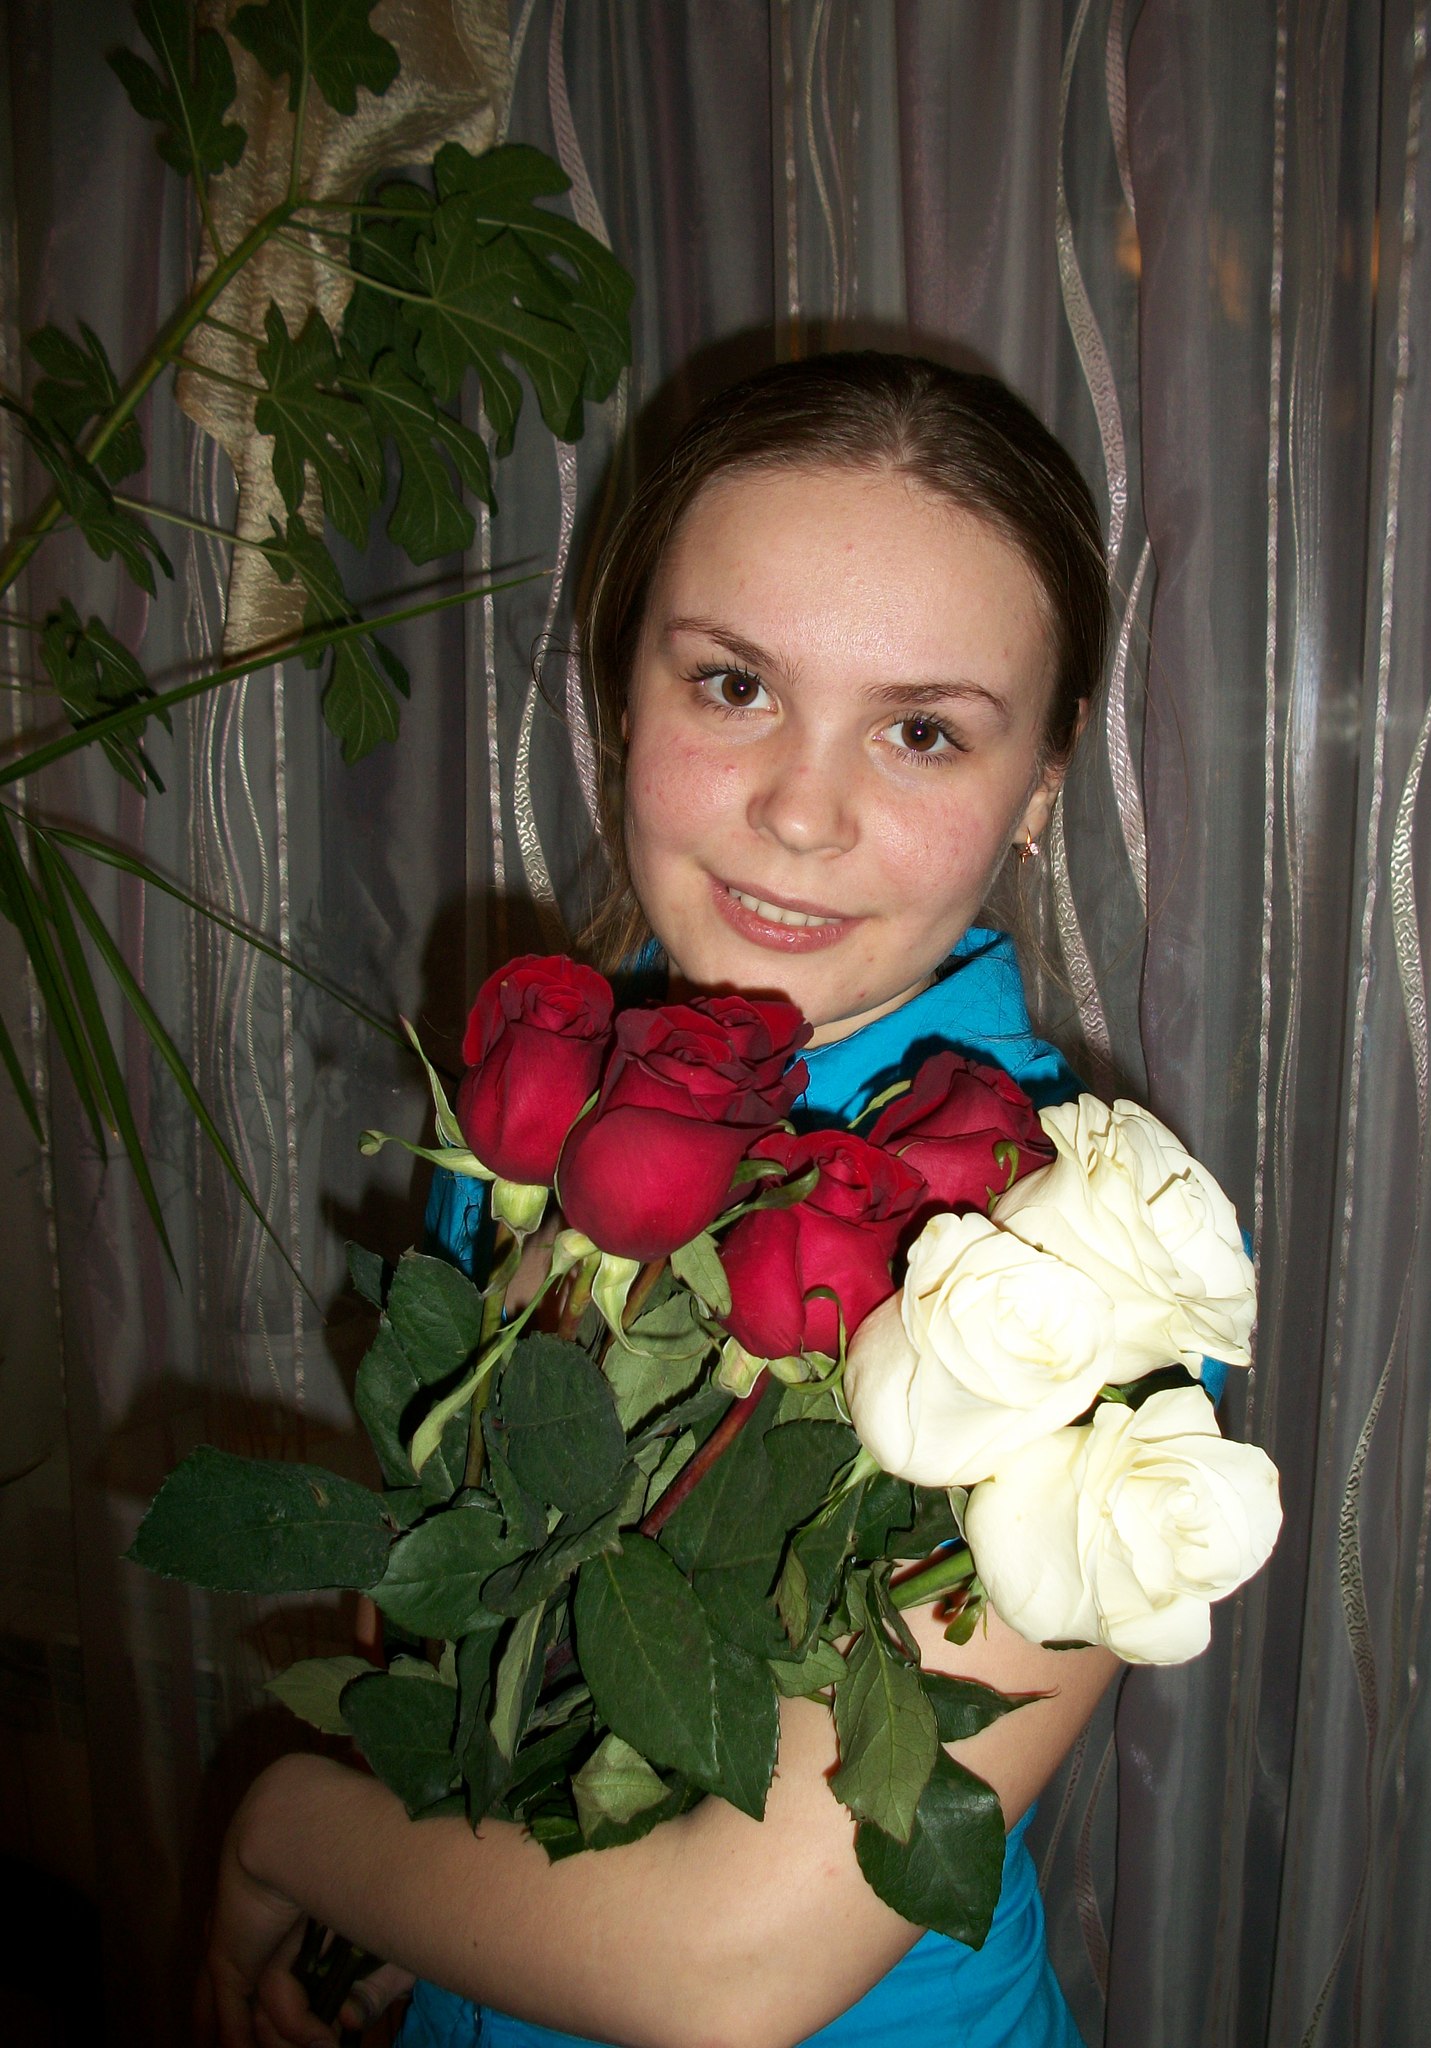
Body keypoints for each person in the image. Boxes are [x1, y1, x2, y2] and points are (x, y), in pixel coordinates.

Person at [203, 353, 1125, 2048]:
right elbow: (454, 1618)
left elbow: (726, 1970)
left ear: (1044, 779)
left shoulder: (1079, 1262)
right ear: (625, 689)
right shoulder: (553, 1092)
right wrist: (411, 1912)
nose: (800, 809)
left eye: (923, 730)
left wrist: (284, 1835)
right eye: (733, 683)